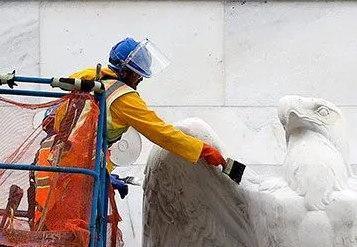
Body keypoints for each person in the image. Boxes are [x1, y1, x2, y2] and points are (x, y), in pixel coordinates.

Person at [58, 37, 229, 172]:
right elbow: (160, 132)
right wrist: (203, 150)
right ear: (123, 72)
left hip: (62, 155)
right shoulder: (123, 96)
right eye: (137, 74)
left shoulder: (95, 79)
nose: (140, 79)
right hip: (81, 165)